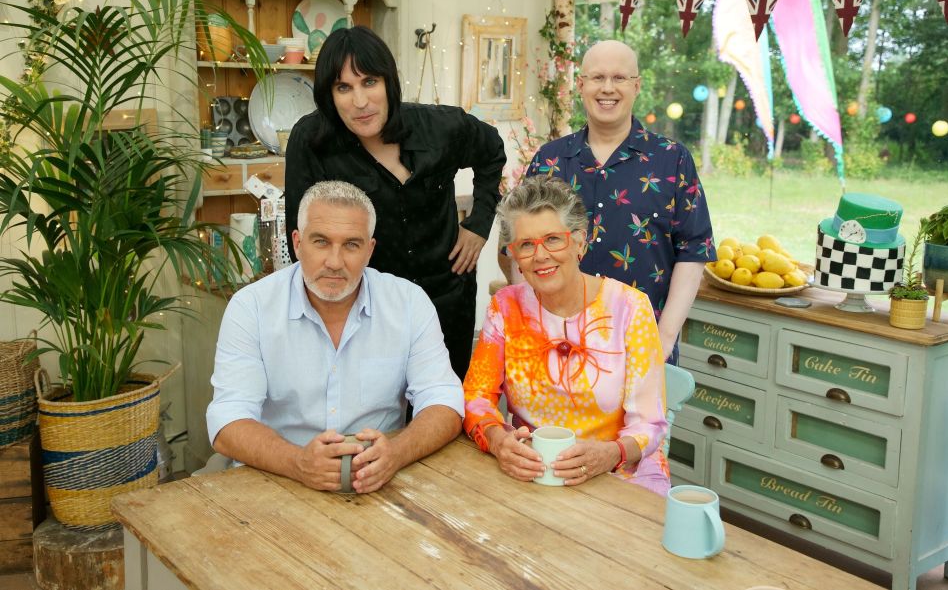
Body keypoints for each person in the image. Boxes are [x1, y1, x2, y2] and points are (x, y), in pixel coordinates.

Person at [207, 181, 464, 493]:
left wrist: (396, 454)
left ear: (370, 250)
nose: (334, 261)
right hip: (275, 479)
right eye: (321, 242)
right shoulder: (252, 308)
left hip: (379, 481)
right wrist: (298, 463)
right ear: (297, 244)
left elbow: (445, 401)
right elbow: (227, 420)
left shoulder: (408, 302)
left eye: (351, 245)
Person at [284, 26, 506, 379]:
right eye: (344, 87)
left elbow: (492, 150)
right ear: (329, 95)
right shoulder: (310, 141)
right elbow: (301, 233)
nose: (360, 101)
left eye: (369, 81)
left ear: (389, 82)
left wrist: (479, 223)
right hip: (366, 310)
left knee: (443, 411)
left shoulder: (440, 127)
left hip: (447, 300)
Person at [463, 176, 670, 496]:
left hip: (619, 475)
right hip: (535, 473)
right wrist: (497, 440)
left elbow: (650, 425)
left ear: (580, 242)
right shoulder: (505, 307)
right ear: (514, 254)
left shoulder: (630, 308)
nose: (540, 255)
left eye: (553, 240)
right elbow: (476, 398)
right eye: (526, 245)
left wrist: (611, 453)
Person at [526, 40, 715, 365]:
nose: (608, 88)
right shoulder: (550, 161)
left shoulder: (671, 160)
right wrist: (533, 327)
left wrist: (664, 339)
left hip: (643, 348)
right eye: (597, 78)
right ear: (581, 85)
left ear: (637, 85)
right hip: (558, 347)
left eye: (619, 78)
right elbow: (522, 248)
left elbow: (694, 250)